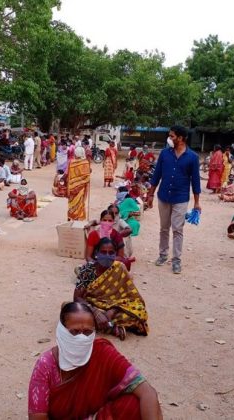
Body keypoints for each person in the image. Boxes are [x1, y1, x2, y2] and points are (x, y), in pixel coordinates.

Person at [27, 302, 162, 419]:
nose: (81, 338)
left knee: (132, 405)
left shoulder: (103, 353)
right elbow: (37, 417)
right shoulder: (45, 365)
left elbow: (147, 392)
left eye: (87, 332)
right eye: (74, 332)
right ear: (61, 331)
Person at [147, 125, 201, 274]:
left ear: (181, 138)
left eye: (172, 136)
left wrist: (197, 203)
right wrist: (150, 195)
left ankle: (176, 260)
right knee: (164, 228)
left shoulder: (192, 157)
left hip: (181, 198)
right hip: (163, 196)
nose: (169, 139)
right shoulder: (164, 154)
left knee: (178, 229)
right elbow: (156, 175)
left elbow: (195, 181)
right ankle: (163, 255)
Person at [74, 238, 148, 341]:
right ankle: (112, 328)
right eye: (103, 252)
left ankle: (103, 325)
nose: (107, 256)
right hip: (93, 306)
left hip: (116, 307)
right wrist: (95, 312)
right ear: (96, 253)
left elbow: (131, 297)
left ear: (116, 254)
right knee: (70, 310)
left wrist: (112, 311)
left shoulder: (120, 268)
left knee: (140, 311)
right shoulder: (88, 269)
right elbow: (77, 297)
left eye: (111, 253)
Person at [67, 146, 91, 221]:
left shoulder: (71, 162)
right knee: (80, 203)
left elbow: (69, 175)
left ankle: (71, 216)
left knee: (72, 203)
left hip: (72, 187)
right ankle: (78, 218)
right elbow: (87, 176)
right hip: (81, 187)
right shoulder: (85, 162)